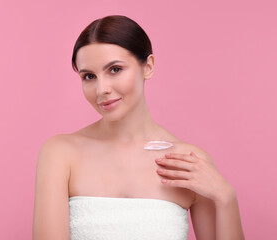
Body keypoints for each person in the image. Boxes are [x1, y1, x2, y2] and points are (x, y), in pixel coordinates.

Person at [33, 15, 245, 240]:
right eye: (89, 76)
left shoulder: (188, 162)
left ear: (148, 67)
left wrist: (226, 197)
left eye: (115, 69)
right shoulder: (61, 153)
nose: (101, 89)